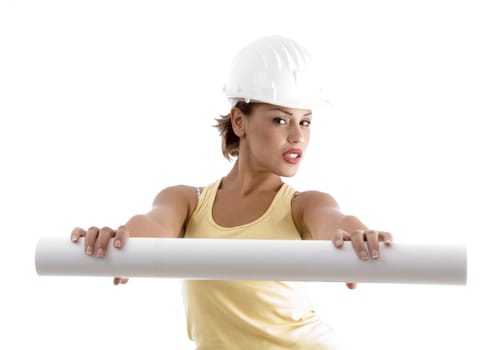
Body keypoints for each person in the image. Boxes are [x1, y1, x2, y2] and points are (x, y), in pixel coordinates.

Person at [70, 35, 393, 350]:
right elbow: (152, 226)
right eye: (281, 120)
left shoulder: (304, 205)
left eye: (305, 122)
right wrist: (117, 243)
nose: (297, 136)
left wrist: (359, 237)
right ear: (239, 121)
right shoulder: (186, 201)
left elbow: (334, 222)